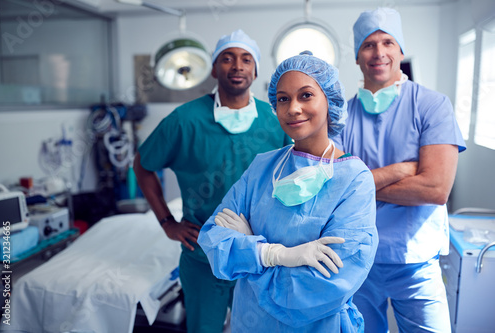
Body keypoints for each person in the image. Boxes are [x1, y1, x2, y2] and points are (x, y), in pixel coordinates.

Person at [198, 51, 378, 332]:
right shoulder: (262, 168)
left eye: (306, 95)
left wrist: (252, 256)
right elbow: (212, 239)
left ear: (329, 102)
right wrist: (276, 254)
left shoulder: (354, 181)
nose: (293, 108)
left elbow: (326, 286)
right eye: (283, 99)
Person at [133, 29, 291, 333]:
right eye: (227, 58)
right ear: (215, 68)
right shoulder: (184, 120)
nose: (237, 66)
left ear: (256, 70)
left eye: (246, 59)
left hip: (259, 255)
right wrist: (167, 221)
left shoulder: (275, 120)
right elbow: (143, 164)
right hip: (204, 257)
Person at [332, 7, 466, 333]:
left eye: (388, 42)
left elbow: (435, 189)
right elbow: (333, 187)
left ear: (400, 50)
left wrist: (359, 183)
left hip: (416, 261)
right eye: (368, 44)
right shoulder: (340, 118)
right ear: (356, 55)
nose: (379, 52)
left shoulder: (431, 105)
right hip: (357, 257)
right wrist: (403, 170)